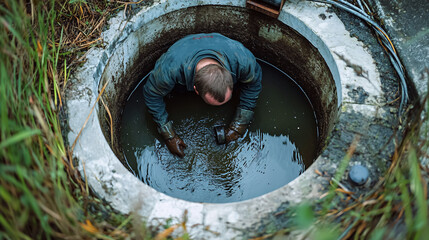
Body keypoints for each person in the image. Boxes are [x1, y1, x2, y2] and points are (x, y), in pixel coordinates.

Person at [143, 33, 262, 157]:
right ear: (196, 90)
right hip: (182, 54)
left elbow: (253, 84)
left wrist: (239, 125)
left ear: (230, 76)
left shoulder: (243, 61)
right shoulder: (170, 70)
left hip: (223, 46)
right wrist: (168, 135)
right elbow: (151, 95)